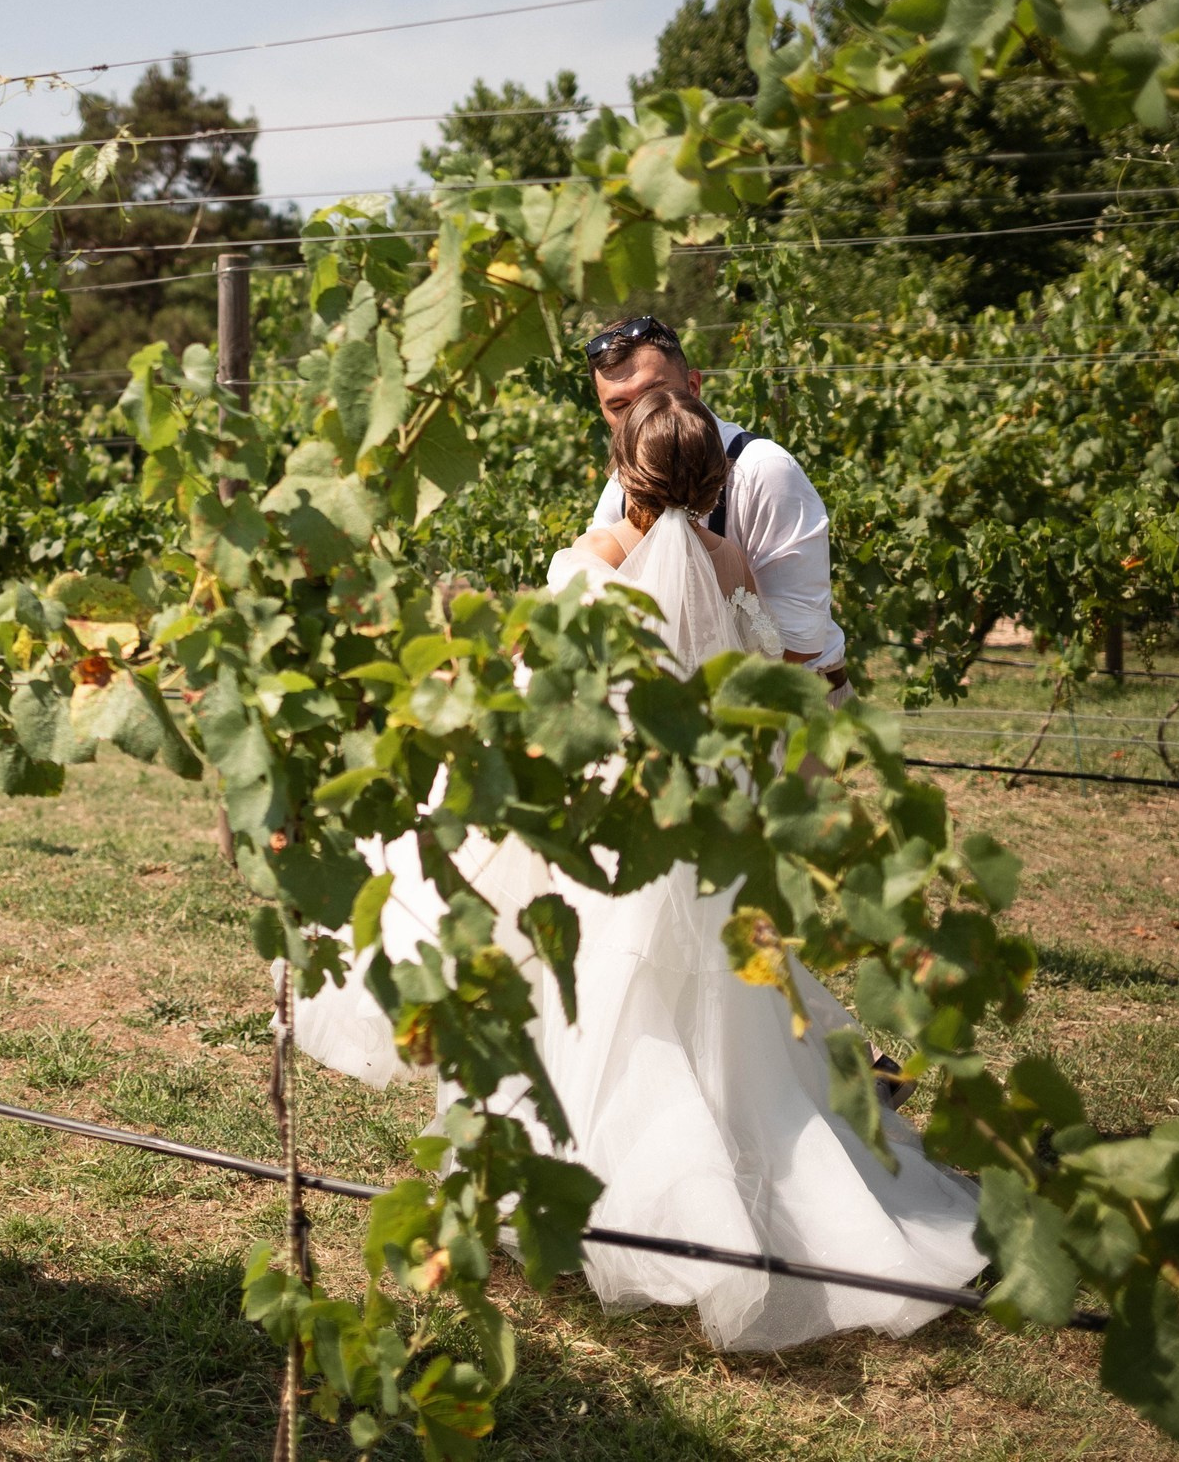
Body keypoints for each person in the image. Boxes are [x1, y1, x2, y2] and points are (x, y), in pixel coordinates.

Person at [292, 373, 984, 1352]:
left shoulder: (586, 562)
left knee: (588, 1008)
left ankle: (593, 1204)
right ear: (708, 481)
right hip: (704, 823)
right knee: (715, 1019)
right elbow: (755, 686)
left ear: (625, 476)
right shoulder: (735, 566)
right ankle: (743, 1199)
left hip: (606, 824)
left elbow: (546, 705)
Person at [583, 315, 851, 703]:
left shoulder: (760, 470)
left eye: (655, 393)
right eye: (620, 406)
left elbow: (800, 642)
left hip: (791, 708)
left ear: (693, 386)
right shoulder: (622, 484)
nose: (641, 415)